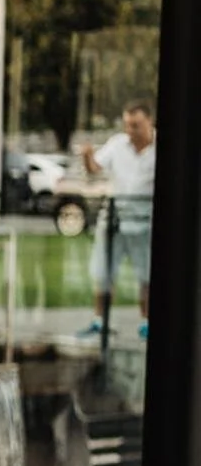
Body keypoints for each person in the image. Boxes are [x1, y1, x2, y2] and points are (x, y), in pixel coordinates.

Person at [79, 99, 156, 339]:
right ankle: (100, 321)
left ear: (149, 122)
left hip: (144, 220)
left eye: (136, 125)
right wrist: (87, 156)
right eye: (127, 125)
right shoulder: (118, 144)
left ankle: (146, 321)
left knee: (146, 274)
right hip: (116, 218)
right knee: (103, 271)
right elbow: (94, 168)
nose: (130, 131)